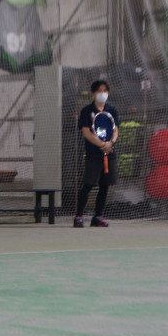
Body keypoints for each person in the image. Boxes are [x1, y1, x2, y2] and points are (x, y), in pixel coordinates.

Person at [74, 80, 119, 228]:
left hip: (109, 154)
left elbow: (115, 129)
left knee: (104, 186)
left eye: (105, 91)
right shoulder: (87, 111)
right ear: (93, 93)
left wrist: (110, 143)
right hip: (93, 155)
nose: (103, 94)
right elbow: (86, 132)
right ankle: (79, 216)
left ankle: (98, 216)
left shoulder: (112, 110)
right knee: (88, 185)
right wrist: (101, 144)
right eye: (100, 91)